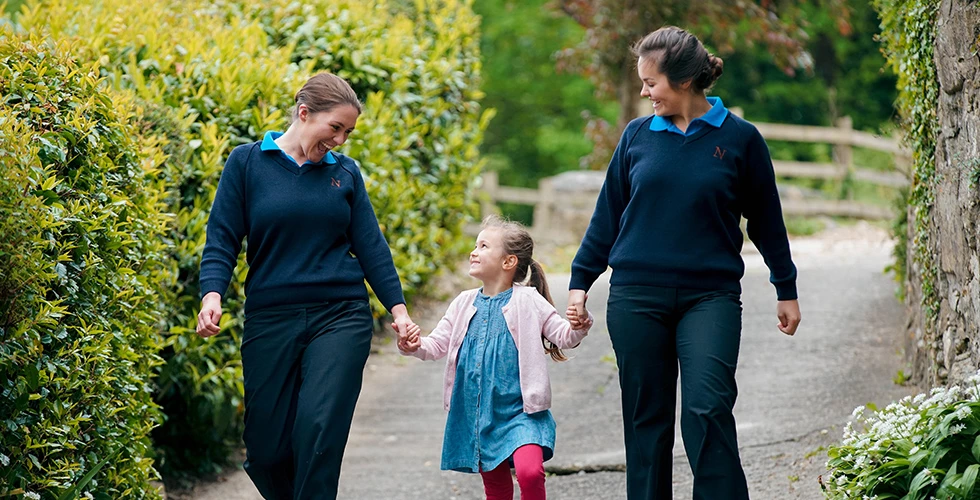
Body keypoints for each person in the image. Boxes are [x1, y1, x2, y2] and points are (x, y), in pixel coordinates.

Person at [566, 26, 802, 500]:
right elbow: (608, 214)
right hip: (636, 296)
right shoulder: (636, 137)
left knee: (708, 408)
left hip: (709, 296)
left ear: (685, 80)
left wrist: (786, 287)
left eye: (651, 82)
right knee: (646, 420)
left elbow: (767, 220)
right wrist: (580, 281)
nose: (644, 91)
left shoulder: (741, 139)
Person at [195, 72, 416, 499]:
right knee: (266, 452)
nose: (341, 140)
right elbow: (222, 237)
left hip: (340, 315)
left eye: (348, 132)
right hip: (270, 318)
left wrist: (399, 310)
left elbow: (371, 246)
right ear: (303, 113)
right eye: (335, 127)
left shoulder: (345, 174)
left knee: (318, 431)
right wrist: (212, 295)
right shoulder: (247, 163)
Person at [399, 215, 593, 500]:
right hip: (480, 414)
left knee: (529, 472)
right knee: (497, 487)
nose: (473, 251)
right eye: (476, 245)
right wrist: (413, 344)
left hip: (522, 412)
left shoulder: (528, 300)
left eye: (484, 246)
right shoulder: (462, 303)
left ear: (508, 262)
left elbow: (563, 335)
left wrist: (579, 325)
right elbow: (436, 346)